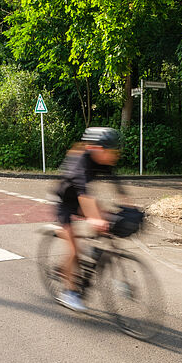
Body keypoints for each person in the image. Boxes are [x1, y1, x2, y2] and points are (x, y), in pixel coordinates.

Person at [54, 126, 126, 311]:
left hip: (81, 200)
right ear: (98, 149)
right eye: (112, 151)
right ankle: (69, 292)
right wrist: (96, 219)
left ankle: (90, 253)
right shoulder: (80, 162)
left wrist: (130, 208)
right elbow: (84, 194)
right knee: (74, 250)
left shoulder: (102, 160)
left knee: (105, 218)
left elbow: (118, 187)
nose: (115, 155)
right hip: (65, 203)